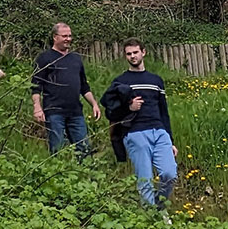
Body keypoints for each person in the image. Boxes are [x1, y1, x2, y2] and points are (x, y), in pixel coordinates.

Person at [100, 38, 176, 208]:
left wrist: (171, 140)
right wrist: (129, 107)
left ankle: (159, 207)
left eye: (135, 52)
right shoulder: (121, 81)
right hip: (135, 133)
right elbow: (110, 111)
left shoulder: (156, 80)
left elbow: (164, 111)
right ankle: (151, 217)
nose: (133, 56)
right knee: (145, 179)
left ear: (143, 52)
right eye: (129, 54)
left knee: (169, 173)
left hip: (159, 131)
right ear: (125, 56)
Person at [31, 22, 98, 155]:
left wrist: (94, 104)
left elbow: (84, 86)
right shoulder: (45, 58)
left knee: (84, 149)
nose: (68, 39)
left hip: (75, 112)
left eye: (70, 36)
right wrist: (37, 107)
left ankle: (85, 174)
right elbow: (36, 86)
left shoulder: (75, 59)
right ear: (55, 37)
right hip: (54, 112)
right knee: (58, 150)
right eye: (64, 36)